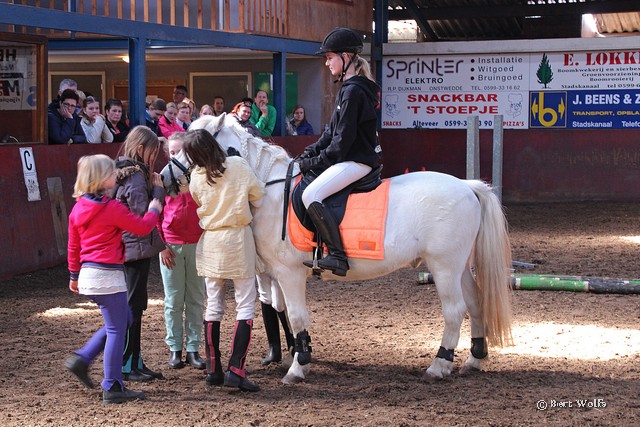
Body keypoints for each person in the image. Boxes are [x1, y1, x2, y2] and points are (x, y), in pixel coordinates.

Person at [65, 154, 163, 404]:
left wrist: (74, 275)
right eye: (111, 173)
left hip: (89, 274)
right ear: (101, 179)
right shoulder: (110, 208)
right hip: (107, 275)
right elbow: (142, 227)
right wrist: (155, 208)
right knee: (117, 329)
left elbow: (73, 245)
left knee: (123, 320)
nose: (115, 176)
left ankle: (83, 358)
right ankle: (112, 385)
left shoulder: (78, 208)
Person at [182, 129, 265, 392]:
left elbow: (198, 198)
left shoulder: (195, 177)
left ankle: (213, 368)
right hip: (238, 238)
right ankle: (236, 369)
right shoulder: (237, 165)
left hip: (212, 241)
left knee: (213, 305)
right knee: (245, 304)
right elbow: (258, 195)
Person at [298, 28, 382, 277]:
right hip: (351, 158)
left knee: (311, 194)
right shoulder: (349, 88)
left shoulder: (354, 91)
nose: (327, 63)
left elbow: (341, 144)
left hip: (357, 161)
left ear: (345, 57)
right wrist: (309, 152)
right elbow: (331, 133)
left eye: (329, 57)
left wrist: (314, 162)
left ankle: (337, 256)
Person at [112, 126, 167, 382]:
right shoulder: (135, 177)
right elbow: (142, 215)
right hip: (134, 249)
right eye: (153, 153)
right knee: (133, 307)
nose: (154, 159)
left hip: (131, 248)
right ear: (141, 149)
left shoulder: (125, 172)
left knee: (135, 305)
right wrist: (158, 192)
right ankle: (127, 363)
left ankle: (134, 359)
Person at [158, 133, 206, 371]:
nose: (176, 156)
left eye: (180, 152)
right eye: (172, 152)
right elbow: (156, 214)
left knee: (196, 298)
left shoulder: (200, 179)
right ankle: (175, 348)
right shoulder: (164, 180)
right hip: (172, 246)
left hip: (197, 244)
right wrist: (162, 245)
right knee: (174, 299)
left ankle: (193, 348)